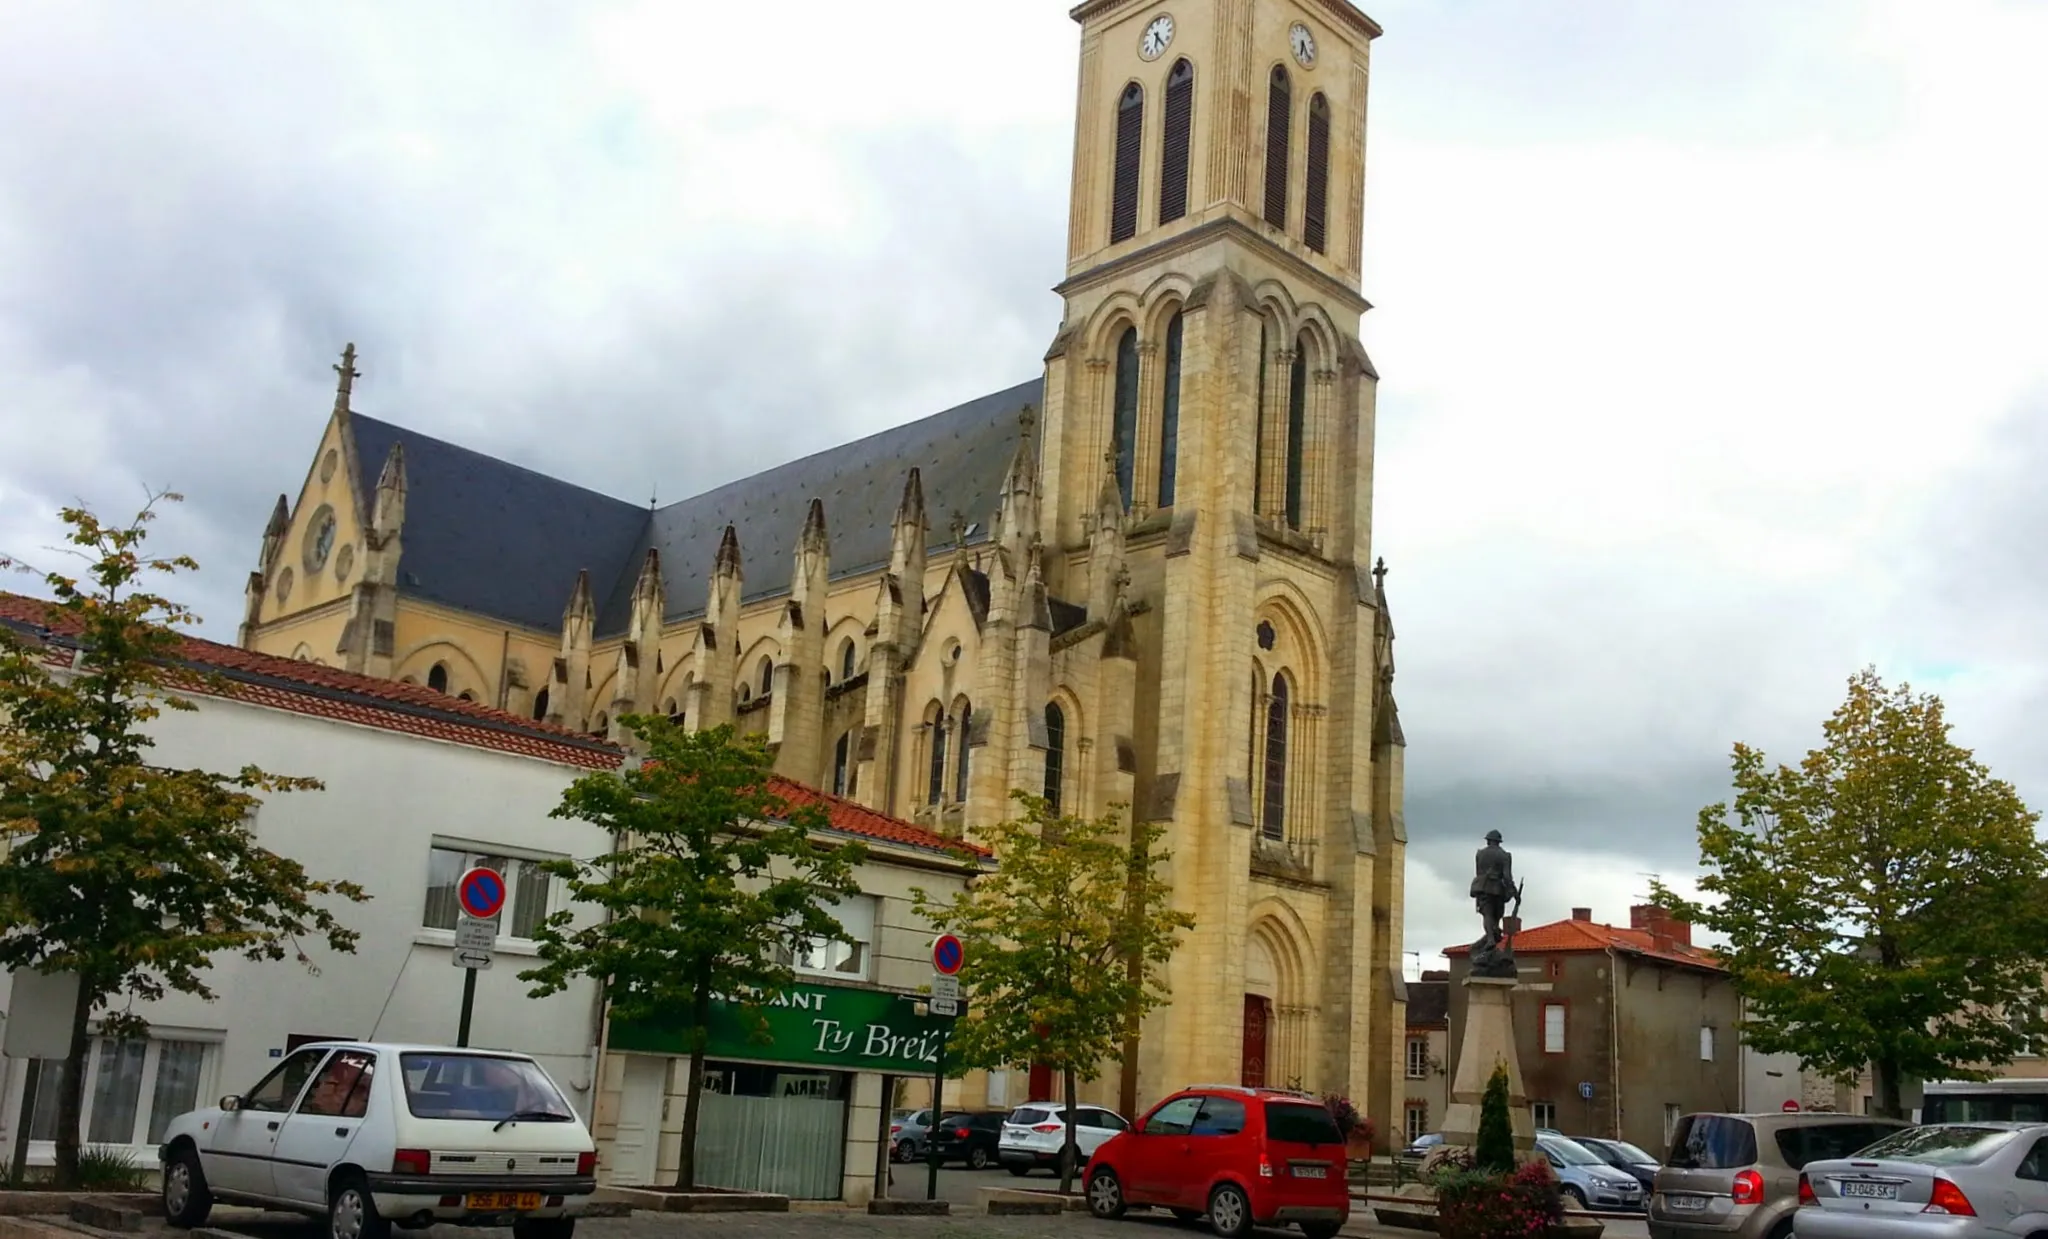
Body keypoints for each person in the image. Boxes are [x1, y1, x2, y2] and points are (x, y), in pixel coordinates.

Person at [1470, 829, 1515, 947]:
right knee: (1497, 915)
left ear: (1488, 841)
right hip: (1497, 888)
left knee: (1487, 914)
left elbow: (1478, 872)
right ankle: (1492, 937)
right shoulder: (1505, 855)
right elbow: (1507, 876)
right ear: (1499, 842)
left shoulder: (1480, 854)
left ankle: (1490, 938)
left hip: (1482, 887)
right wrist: (1513, 892)